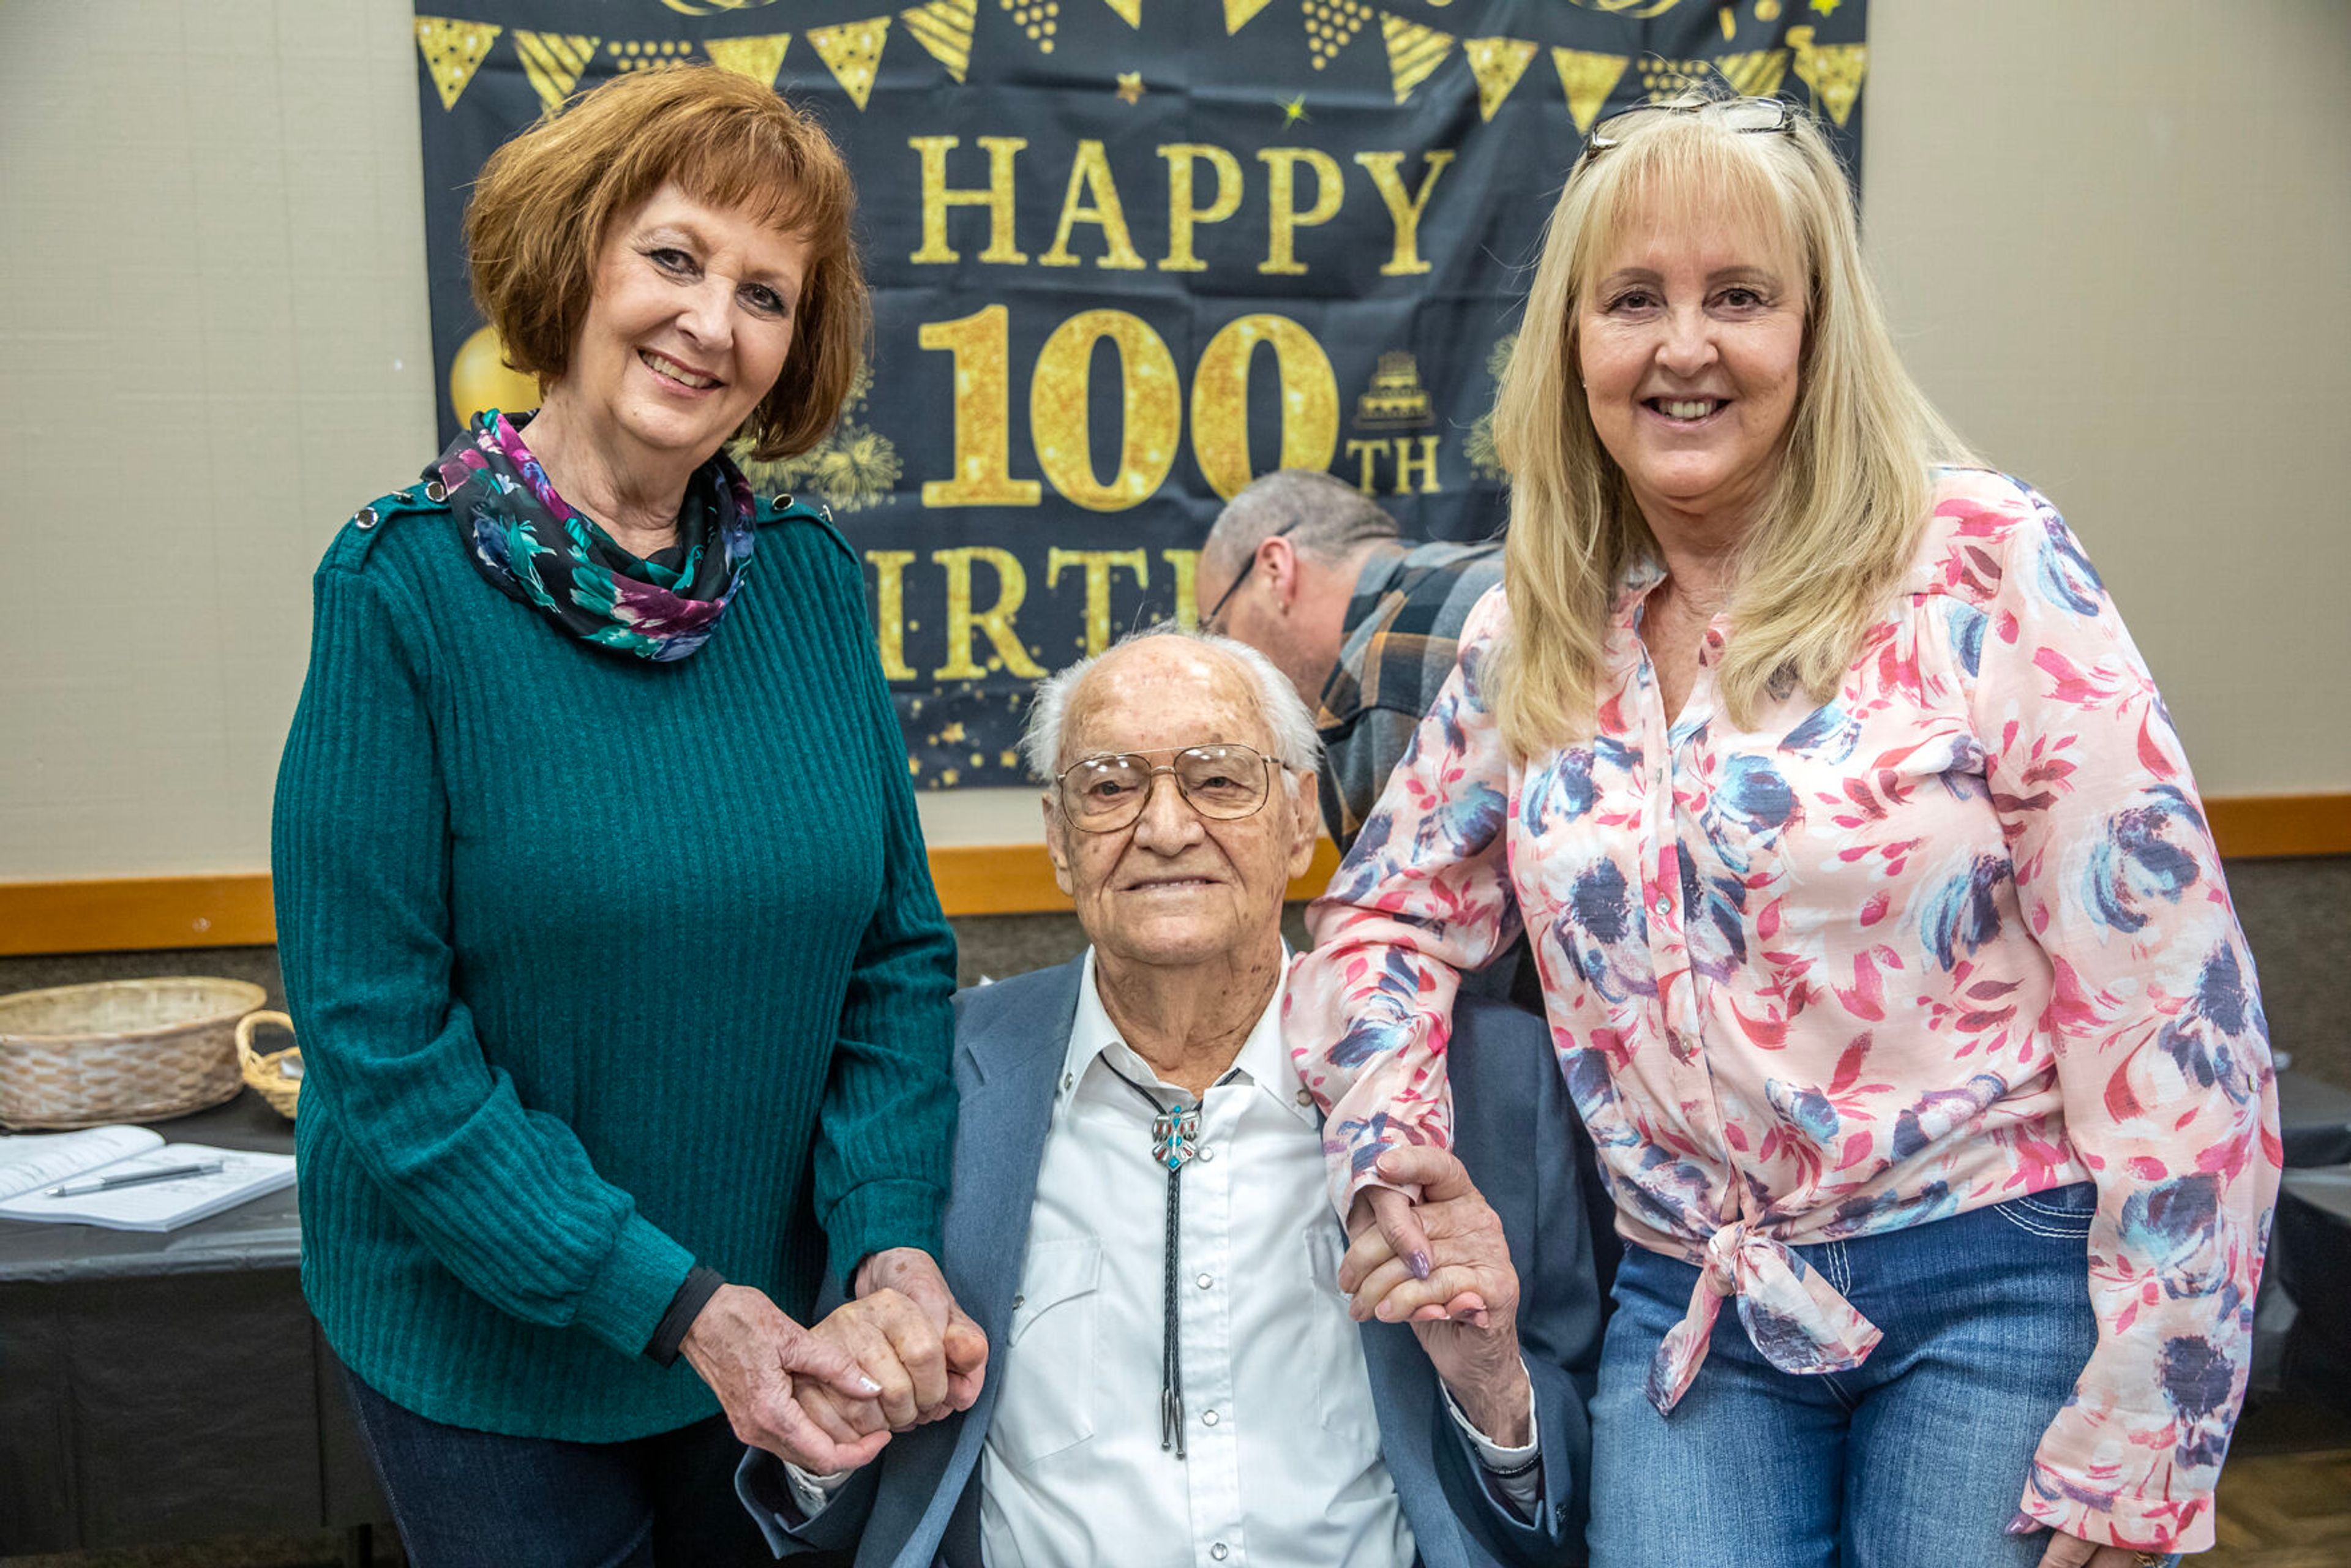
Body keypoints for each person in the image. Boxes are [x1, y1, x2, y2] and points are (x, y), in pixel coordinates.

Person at [1285, 88, 2278, 1568]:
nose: (1683, 345)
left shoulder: (1977, 560)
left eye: (1736, 296)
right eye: (1633, 301)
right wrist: (1390, 1149)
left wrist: (2155, 1406)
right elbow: (1379, 920)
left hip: (1995, 1284)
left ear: (1813, 335)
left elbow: (2169, 996)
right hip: (1692, 1305)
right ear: (1573, 347)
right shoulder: (1529, 634)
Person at [272, 67, 982, 1565]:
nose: (710, 323)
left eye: (765, 292)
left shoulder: (807, 584)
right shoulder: (399, 590)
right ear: (577, 258)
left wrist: (891, 1236)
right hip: (491, 1356)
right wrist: (673, 1302)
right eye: (672, 257)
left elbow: (894, 958)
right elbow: (380, 1043)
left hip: (783, 1332)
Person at [737, 626, 1605, 1567]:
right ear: (1059, 840)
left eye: (1220, 779)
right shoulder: (930, 1078)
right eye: (1110, 786)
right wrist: (829, 1424)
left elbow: (1576, 1484)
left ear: (1300, 813)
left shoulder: (1492, 1083)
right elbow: (824, 1500)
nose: (1164, 827)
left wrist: (1491, 1384)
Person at [1193, 468, 1502, 854]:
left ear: (1276, 569)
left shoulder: (1374, 682)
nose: (1226, 663)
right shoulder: (1513, 570)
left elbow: (1398, 912)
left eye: (1219, 629)